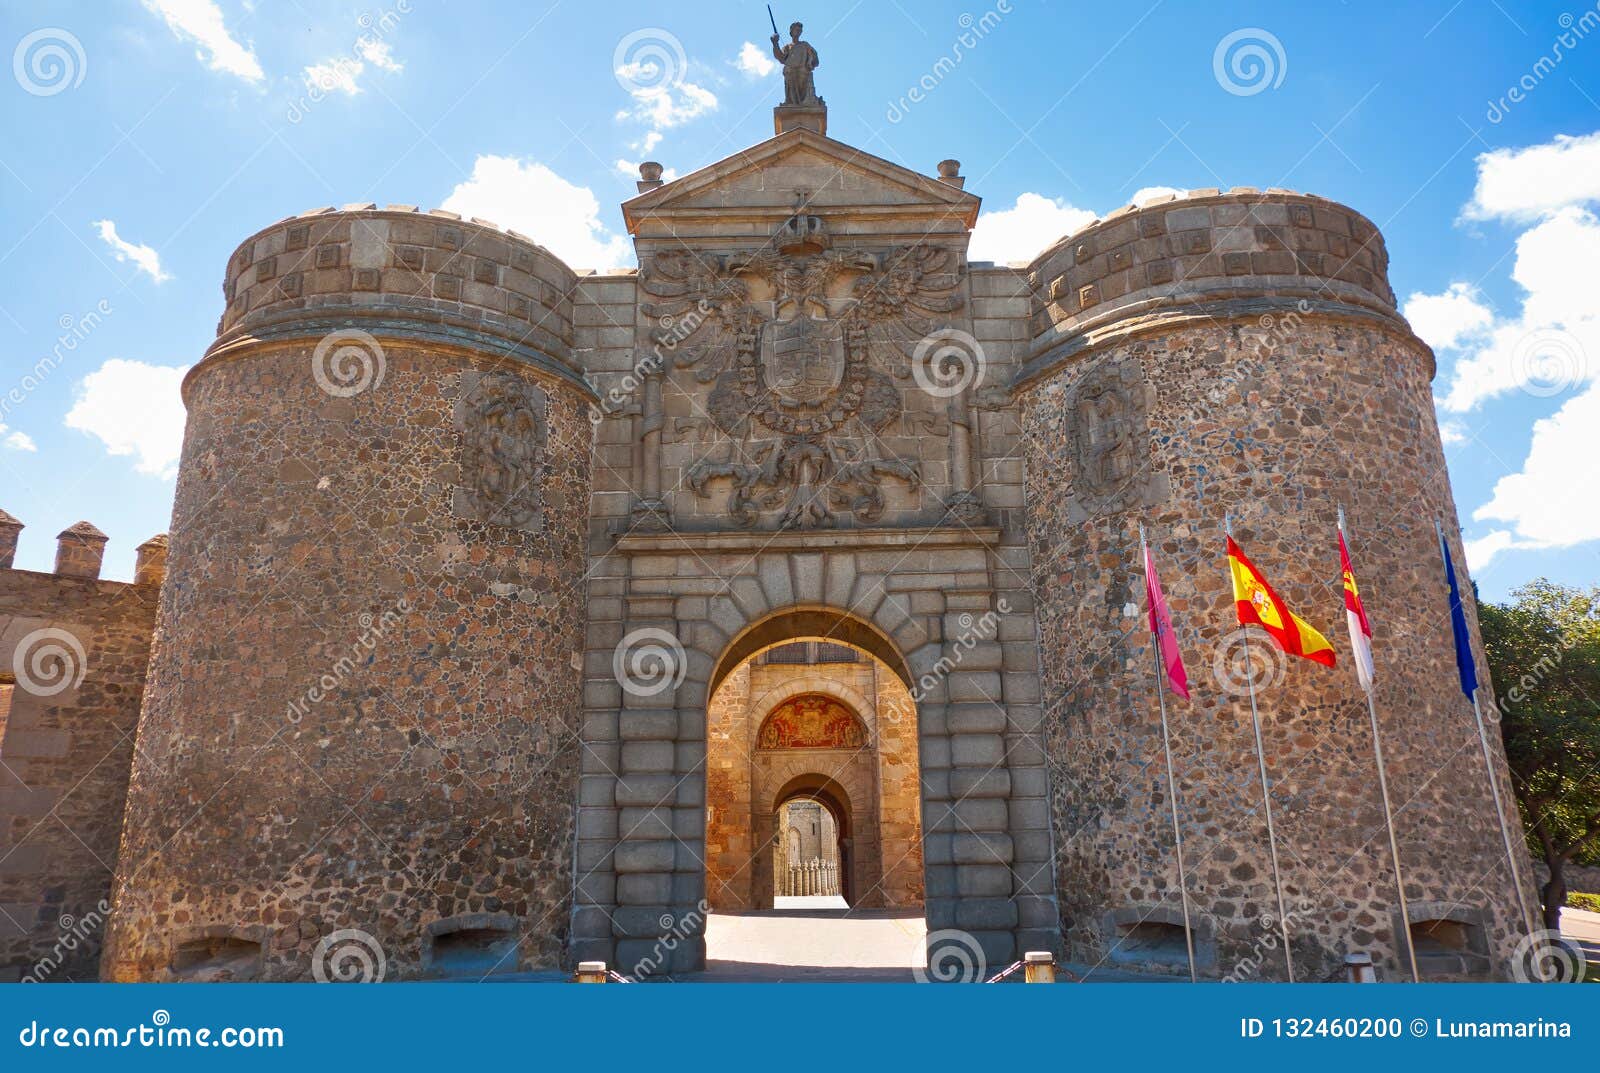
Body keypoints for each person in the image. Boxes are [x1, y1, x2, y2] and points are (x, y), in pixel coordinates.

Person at [770, 21, 820, 105]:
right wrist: (775, 44)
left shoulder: (805, 45)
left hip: (803, 73)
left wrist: (811, 62)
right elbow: (781, 58)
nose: (798, 31)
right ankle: (791, 102)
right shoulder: (787, 47)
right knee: (792, 100)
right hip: (790, 73)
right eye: (796, 29)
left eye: (800, 30)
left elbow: (815, 58)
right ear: (791, 31)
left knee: (803, 92)